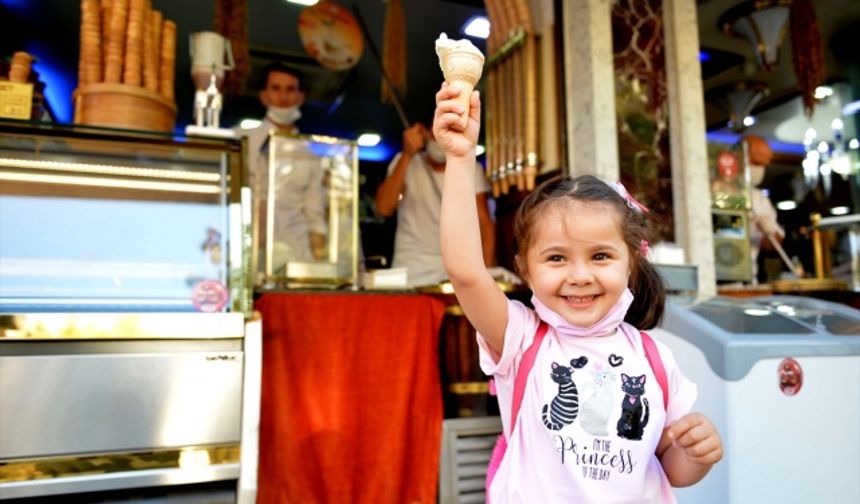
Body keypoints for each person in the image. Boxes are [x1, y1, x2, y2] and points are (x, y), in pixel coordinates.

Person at [434, 82, 723, 502]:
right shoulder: (520, 339)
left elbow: (672, 471)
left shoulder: (655, 359)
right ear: (525, 271)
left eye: (601, 256)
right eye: (556, 259)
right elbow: (465, 273)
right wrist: (461, 159)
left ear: (631, 263)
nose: (580, 275)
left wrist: (698, 454)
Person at [375, 122, 495, 287]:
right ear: (424, 132)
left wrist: (484, 275)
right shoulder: (406, 162)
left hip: (455, 269)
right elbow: (383, 208)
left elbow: (485, 225)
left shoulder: (471, 169)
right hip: (411, 268)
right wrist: (407, 154)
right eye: (438, 134)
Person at [239, 63, 326, 271]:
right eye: (275, 88)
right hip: (247, 250)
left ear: (301, 97)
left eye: (290, 89)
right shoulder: (242, 140)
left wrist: (319, 265)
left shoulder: (310, 154)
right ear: (264, 95)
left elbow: (315, 214)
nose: (283, 96)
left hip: (295, 254)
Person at [744, 135, 785, 281]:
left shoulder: (760, 199)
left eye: (764, 165)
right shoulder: (715, 190)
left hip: (748, 278)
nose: (760, 169)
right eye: (756, 162)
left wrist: (770, 231)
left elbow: (772, 246)